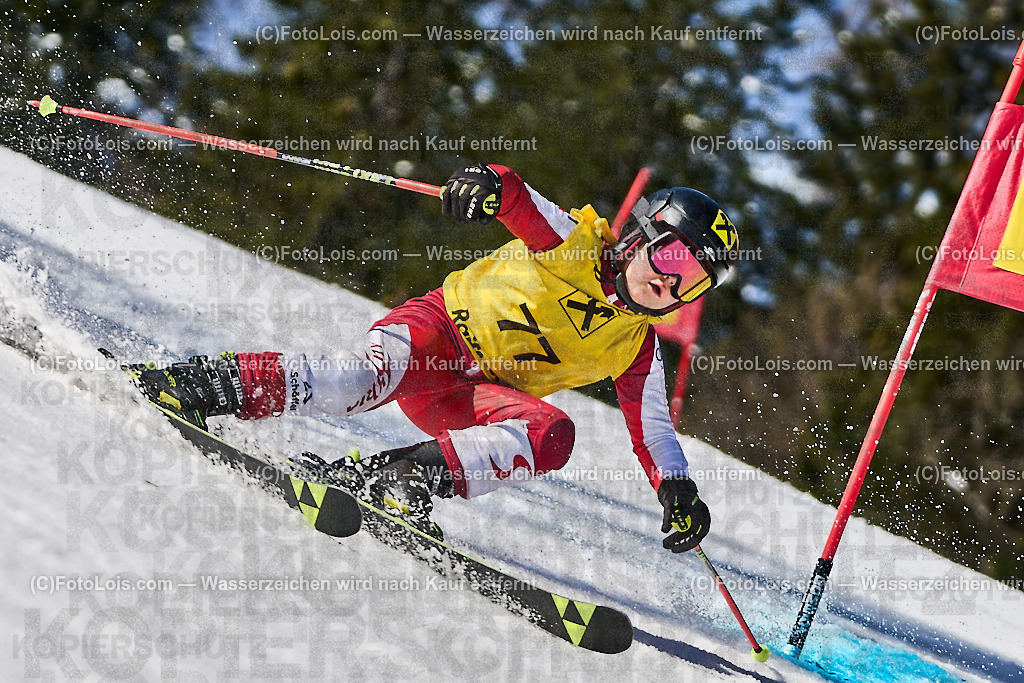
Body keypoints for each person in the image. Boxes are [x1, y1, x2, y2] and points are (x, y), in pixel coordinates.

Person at [132, 164, 739, 551]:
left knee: (552, 432)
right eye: (673, 260)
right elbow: (515, 195)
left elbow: (653, 430)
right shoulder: (575, 242)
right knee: (360, 381)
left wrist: (677, 488)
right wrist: (486, 185)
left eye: (693, 282)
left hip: (465, 401)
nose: (672, 286)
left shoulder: (635, 348)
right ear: (640, 236)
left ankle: (395, 478)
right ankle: (206, 386)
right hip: (438, 335)